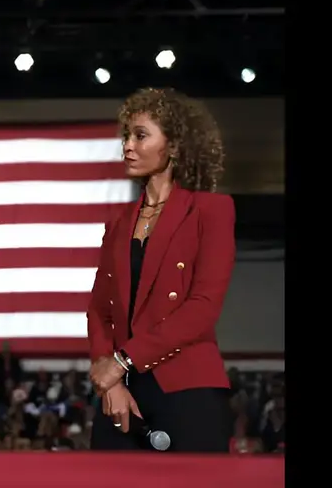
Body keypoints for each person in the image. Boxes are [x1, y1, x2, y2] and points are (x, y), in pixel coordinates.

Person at [86, 87, 234, 453]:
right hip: (121, 396)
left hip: (187, 390)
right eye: (126, 136)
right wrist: (111, 382)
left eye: (140, 135)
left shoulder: (211, 210)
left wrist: (121, 361)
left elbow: (202, 307)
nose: (128, 147)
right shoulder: (119, 223)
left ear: (176, 145)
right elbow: (99, 310)